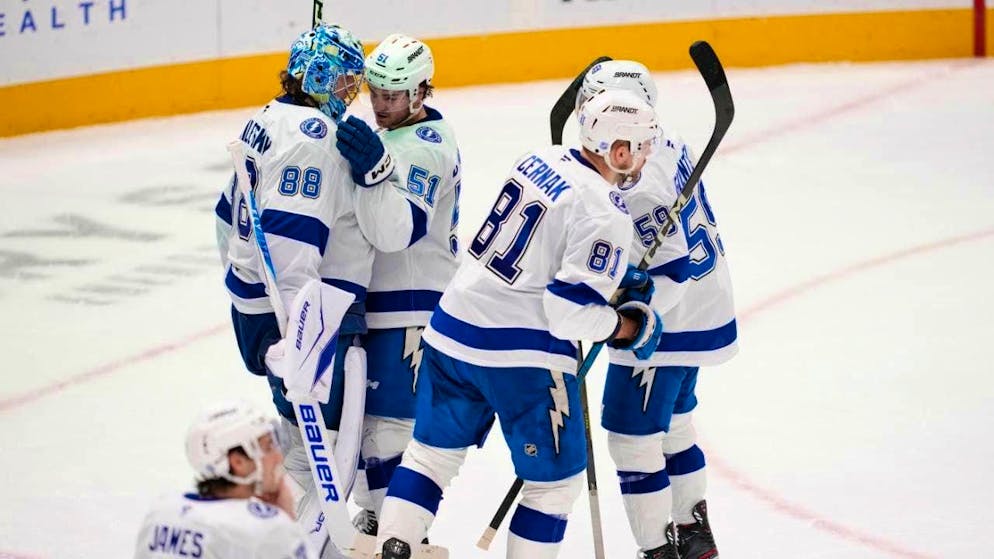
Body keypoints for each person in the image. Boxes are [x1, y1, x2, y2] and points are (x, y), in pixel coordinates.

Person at [374, 89, 664, 559]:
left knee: (429, 457)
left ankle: (393, 547)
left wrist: (605, 277)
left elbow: (542, 246)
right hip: (520, 359)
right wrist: (627, 327)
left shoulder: (539, 159)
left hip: (451, 330)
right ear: (618, 150)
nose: (647, 155)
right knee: (553, 488)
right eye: (642, 146)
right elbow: (567, 313)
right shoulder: (608, 212)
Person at [213, 22, 431, 557]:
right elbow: (291, 245)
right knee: (323, 457)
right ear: (320, 77)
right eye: (344, 84)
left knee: (308, 448)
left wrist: (250, 301)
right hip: (307, 319)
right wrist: (299, 338)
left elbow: (224, 217)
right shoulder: (312, 137)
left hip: (262, 307)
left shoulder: (265, 119)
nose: (351, 96)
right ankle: (289, 547)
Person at [577, 60, 738, 559]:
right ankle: (693, 534)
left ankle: (659, 550)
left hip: (666, 321)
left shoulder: (637, 180)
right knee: (674, 426)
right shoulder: (658, 144)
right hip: (703, 309)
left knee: (631, 440)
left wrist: (620, 320)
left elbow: (667, 268)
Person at [345, 33, 463, 538]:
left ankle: (400, 532)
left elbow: (397, 234)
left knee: (391, 429)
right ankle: (384, 523)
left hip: (409, 310)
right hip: (384, 306)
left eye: (392, 96)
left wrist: (373, 171)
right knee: (373, 427)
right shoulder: (403, 134)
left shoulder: (426, 148)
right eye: (376, 93)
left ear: (420, 93)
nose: (380, 105)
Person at [133, 400, 315, 559]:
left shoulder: (161, 513)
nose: (278, 457)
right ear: (238, 462)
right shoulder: (269, 529)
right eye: (268, 447)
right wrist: (287, 521)